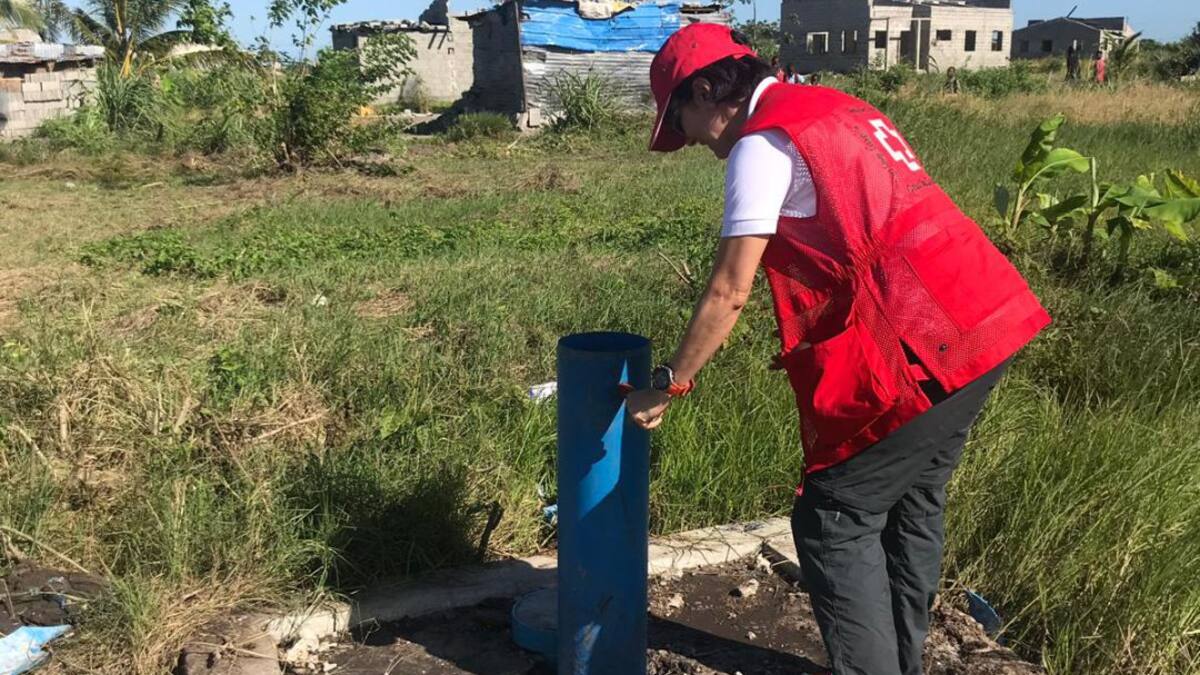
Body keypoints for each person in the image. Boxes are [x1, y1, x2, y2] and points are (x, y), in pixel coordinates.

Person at [631, 23, 1050, 675]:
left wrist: (671, 380)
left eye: (680, 117)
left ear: (708, 90)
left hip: (923, 337)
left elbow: (727, 290)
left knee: (833, 516)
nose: (686, 138)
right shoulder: (836, 107)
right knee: (911, 502)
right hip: (985, 316)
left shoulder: (761, 144)